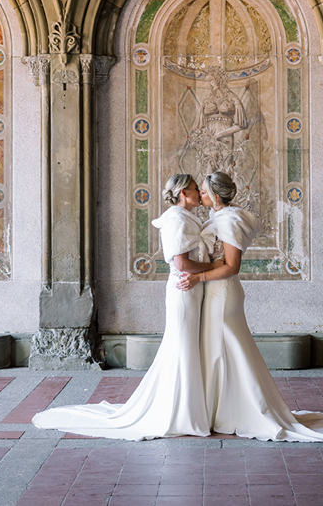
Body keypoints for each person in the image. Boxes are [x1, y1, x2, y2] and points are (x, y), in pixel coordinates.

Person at [32, 174, 220, 440]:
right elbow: (181, 264)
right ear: (182, 194)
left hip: (194, 289)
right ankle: (179, 411)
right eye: (193, 189)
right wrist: (213, 268)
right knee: (182, 344)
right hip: (183, 290)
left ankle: (191, 406)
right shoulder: (176, 219)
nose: (199, 193)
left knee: (188, 345)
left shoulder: (189, 217)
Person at [178, 171, 323, 441]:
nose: (199, 194)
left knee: (227, 350)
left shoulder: (230, 220)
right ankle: (218, 412)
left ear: (216, 195)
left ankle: (241, 411)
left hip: (222, 293)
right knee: (217, 352)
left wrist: (199, 276)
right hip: (213, 291)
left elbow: (232, 267)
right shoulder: (219, 217)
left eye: (203, 191)